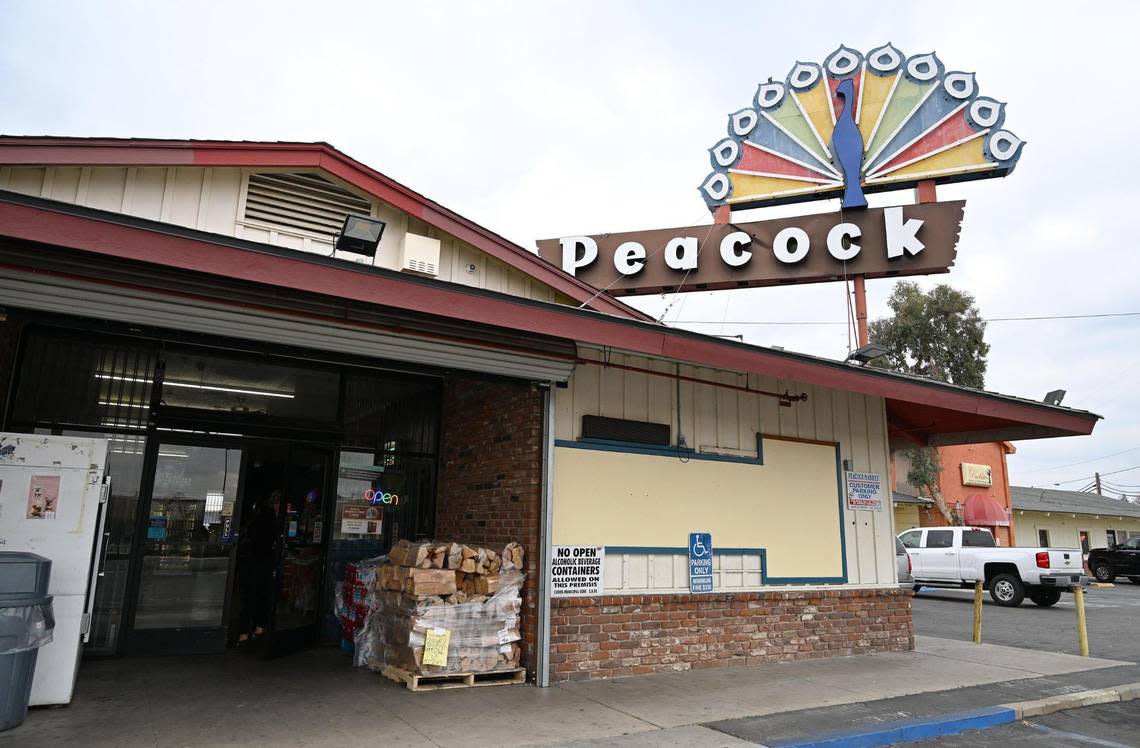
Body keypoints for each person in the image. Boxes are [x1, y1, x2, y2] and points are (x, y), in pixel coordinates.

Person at [236, 491, 279, 646]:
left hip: (250, 562)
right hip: (262, 562)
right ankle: (258, 629)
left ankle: (243, 634)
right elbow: (273, 539)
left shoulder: (255, 518)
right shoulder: (271, 519)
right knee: (263, 595)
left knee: (248, 598)